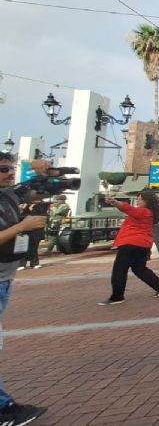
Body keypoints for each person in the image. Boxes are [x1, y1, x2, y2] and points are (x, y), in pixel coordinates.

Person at [0, 152, 49, 425]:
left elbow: (32, 192)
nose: (10, 173)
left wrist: (47, 177)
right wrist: (23, 225)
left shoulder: (8, 194)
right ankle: (4, 409)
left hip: (4, 279)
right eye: (4, 169)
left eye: (11, 168)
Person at [98, 191, 159, 305]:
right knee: (139, 268)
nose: (138, 201)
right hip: (142, 244)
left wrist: (115, 202)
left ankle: (117, 296)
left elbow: (129, 209)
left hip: (132, 243)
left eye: (140, 199)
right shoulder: (150, 212)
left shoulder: (144, 211)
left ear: (147, 201)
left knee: (119, 269)